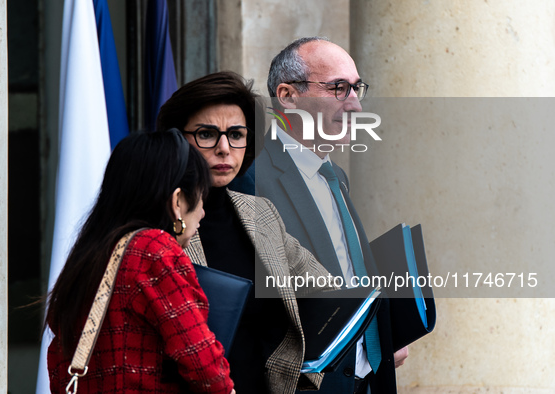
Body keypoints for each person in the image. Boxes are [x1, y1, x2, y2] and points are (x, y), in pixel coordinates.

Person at [156, 71, 332, 394]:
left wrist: (310, 375)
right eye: (207, 134)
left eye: (236, 134)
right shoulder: (157, 222)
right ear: (177, 139)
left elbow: (325, 291)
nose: (224, 148)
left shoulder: (260, 213)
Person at [255, 37, 409, 394]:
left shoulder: (335, 175)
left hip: (368, 379)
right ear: (288, 96)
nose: (355, 105)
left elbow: (347, 271)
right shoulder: (253, 180)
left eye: (357, 89)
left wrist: (383, 335)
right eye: (338, 88)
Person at [46, 130, 236, 393]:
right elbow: (204, 365)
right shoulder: (153, 251)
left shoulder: (88, 258)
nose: (202, 212)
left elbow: (58, 364)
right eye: (202, 196)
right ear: (177, 201)